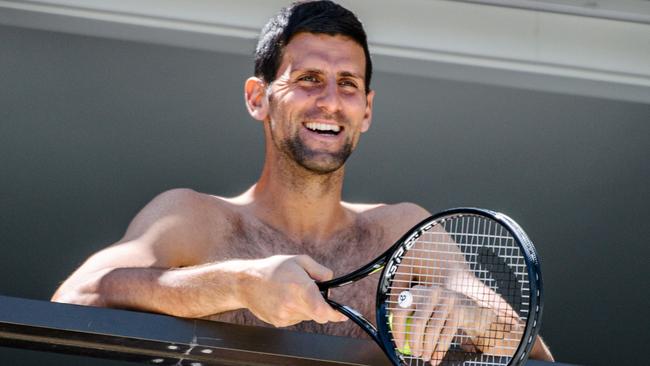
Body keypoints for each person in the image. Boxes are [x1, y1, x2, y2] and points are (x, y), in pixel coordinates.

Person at [52, 1, 553, 363]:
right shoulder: (195, 219)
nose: (330, 101)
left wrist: (466, 314)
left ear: (367, 110)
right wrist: (240, 284)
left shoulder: (403, 231)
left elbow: (531, 348)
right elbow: (75, 298)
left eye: (348, 85)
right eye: (309, 79)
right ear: (258, 98)